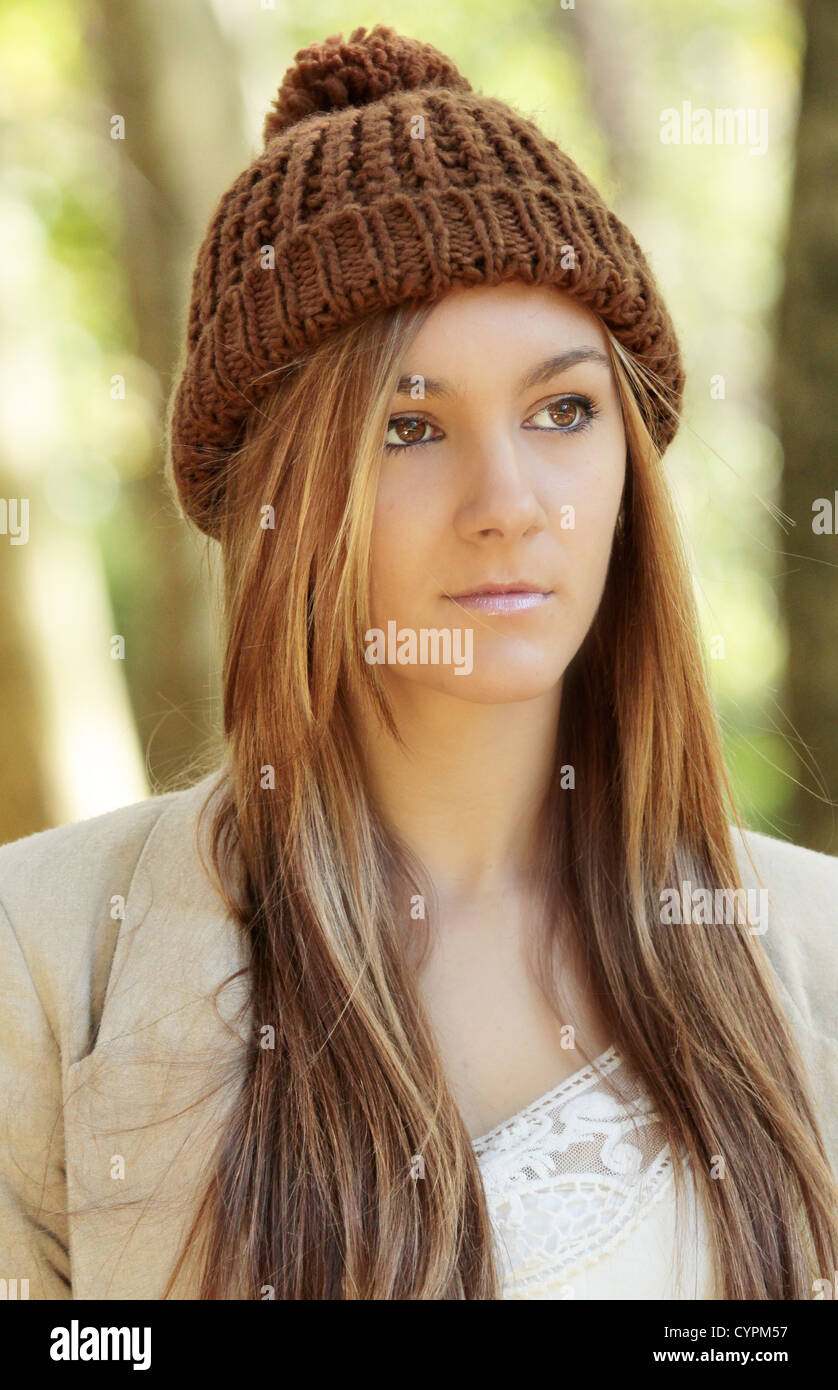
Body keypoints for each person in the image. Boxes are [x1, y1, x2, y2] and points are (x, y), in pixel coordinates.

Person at [0, 24, 836, 1302]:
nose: (508, 501)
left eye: (562, 411)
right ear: (279, 496)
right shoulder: (43, 956)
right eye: (408, 426)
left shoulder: (814, 948)